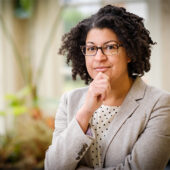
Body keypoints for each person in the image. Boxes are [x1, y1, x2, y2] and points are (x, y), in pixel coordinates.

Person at [45, 5, 170, 170]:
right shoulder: (69, 101)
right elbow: (53, 166)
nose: (99, 57)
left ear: (130, 53)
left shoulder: (160, 104)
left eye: (110, 47)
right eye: (91, 48)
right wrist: (86, 111)